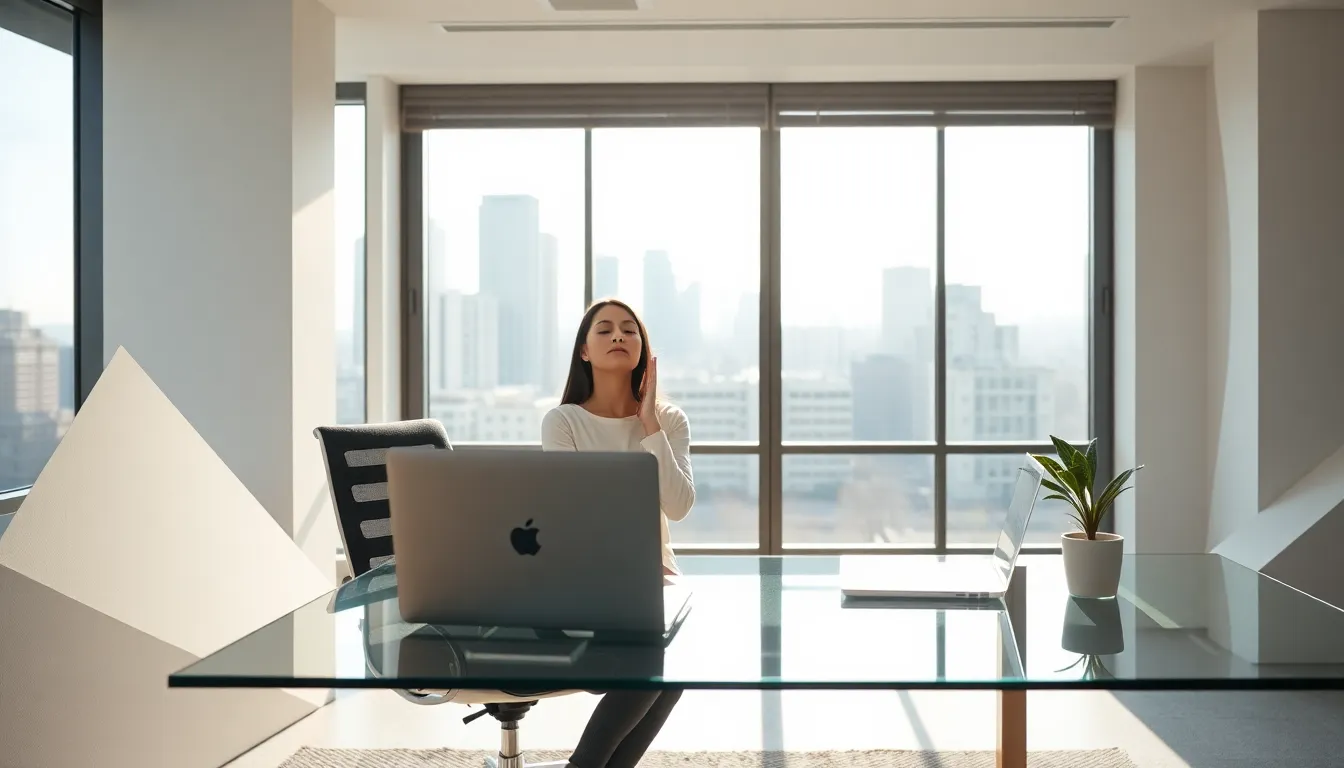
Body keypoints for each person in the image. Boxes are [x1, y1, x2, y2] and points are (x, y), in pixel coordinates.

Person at [539, 298, 693, 768]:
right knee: (658, 659)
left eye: (629, 330)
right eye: (604, 330)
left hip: (652, 587)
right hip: (584, 584)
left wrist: (648, 425)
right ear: (584, 350)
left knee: (673, 658)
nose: (619, 336)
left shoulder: (668, 420)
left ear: (643, 348)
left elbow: (679, 506)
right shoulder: (564, 421)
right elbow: (571, 521)